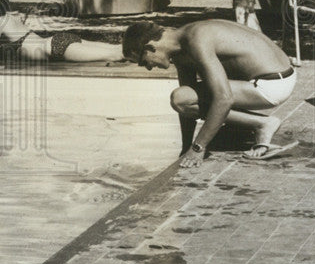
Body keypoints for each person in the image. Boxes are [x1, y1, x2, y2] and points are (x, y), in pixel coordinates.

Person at [122, 19, 298, 167]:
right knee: (186, 96)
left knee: (181, 97)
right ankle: (251, 125)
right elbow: (188, 102)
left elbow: (224, 99)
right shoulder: (182, 44)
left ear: (151, 47)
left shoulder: (196, 39)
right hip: (278, 75)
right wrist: (185, 149)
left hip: (272, 84)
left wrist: (198, 148)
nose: (149, 68)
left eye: (143, 62)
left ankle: (263, 124)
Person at [0, 0, 121, 64]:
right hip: (57, 41)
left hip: (55, 48)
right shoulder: (11, 18)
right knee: (117, 49)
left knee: (115, 55)